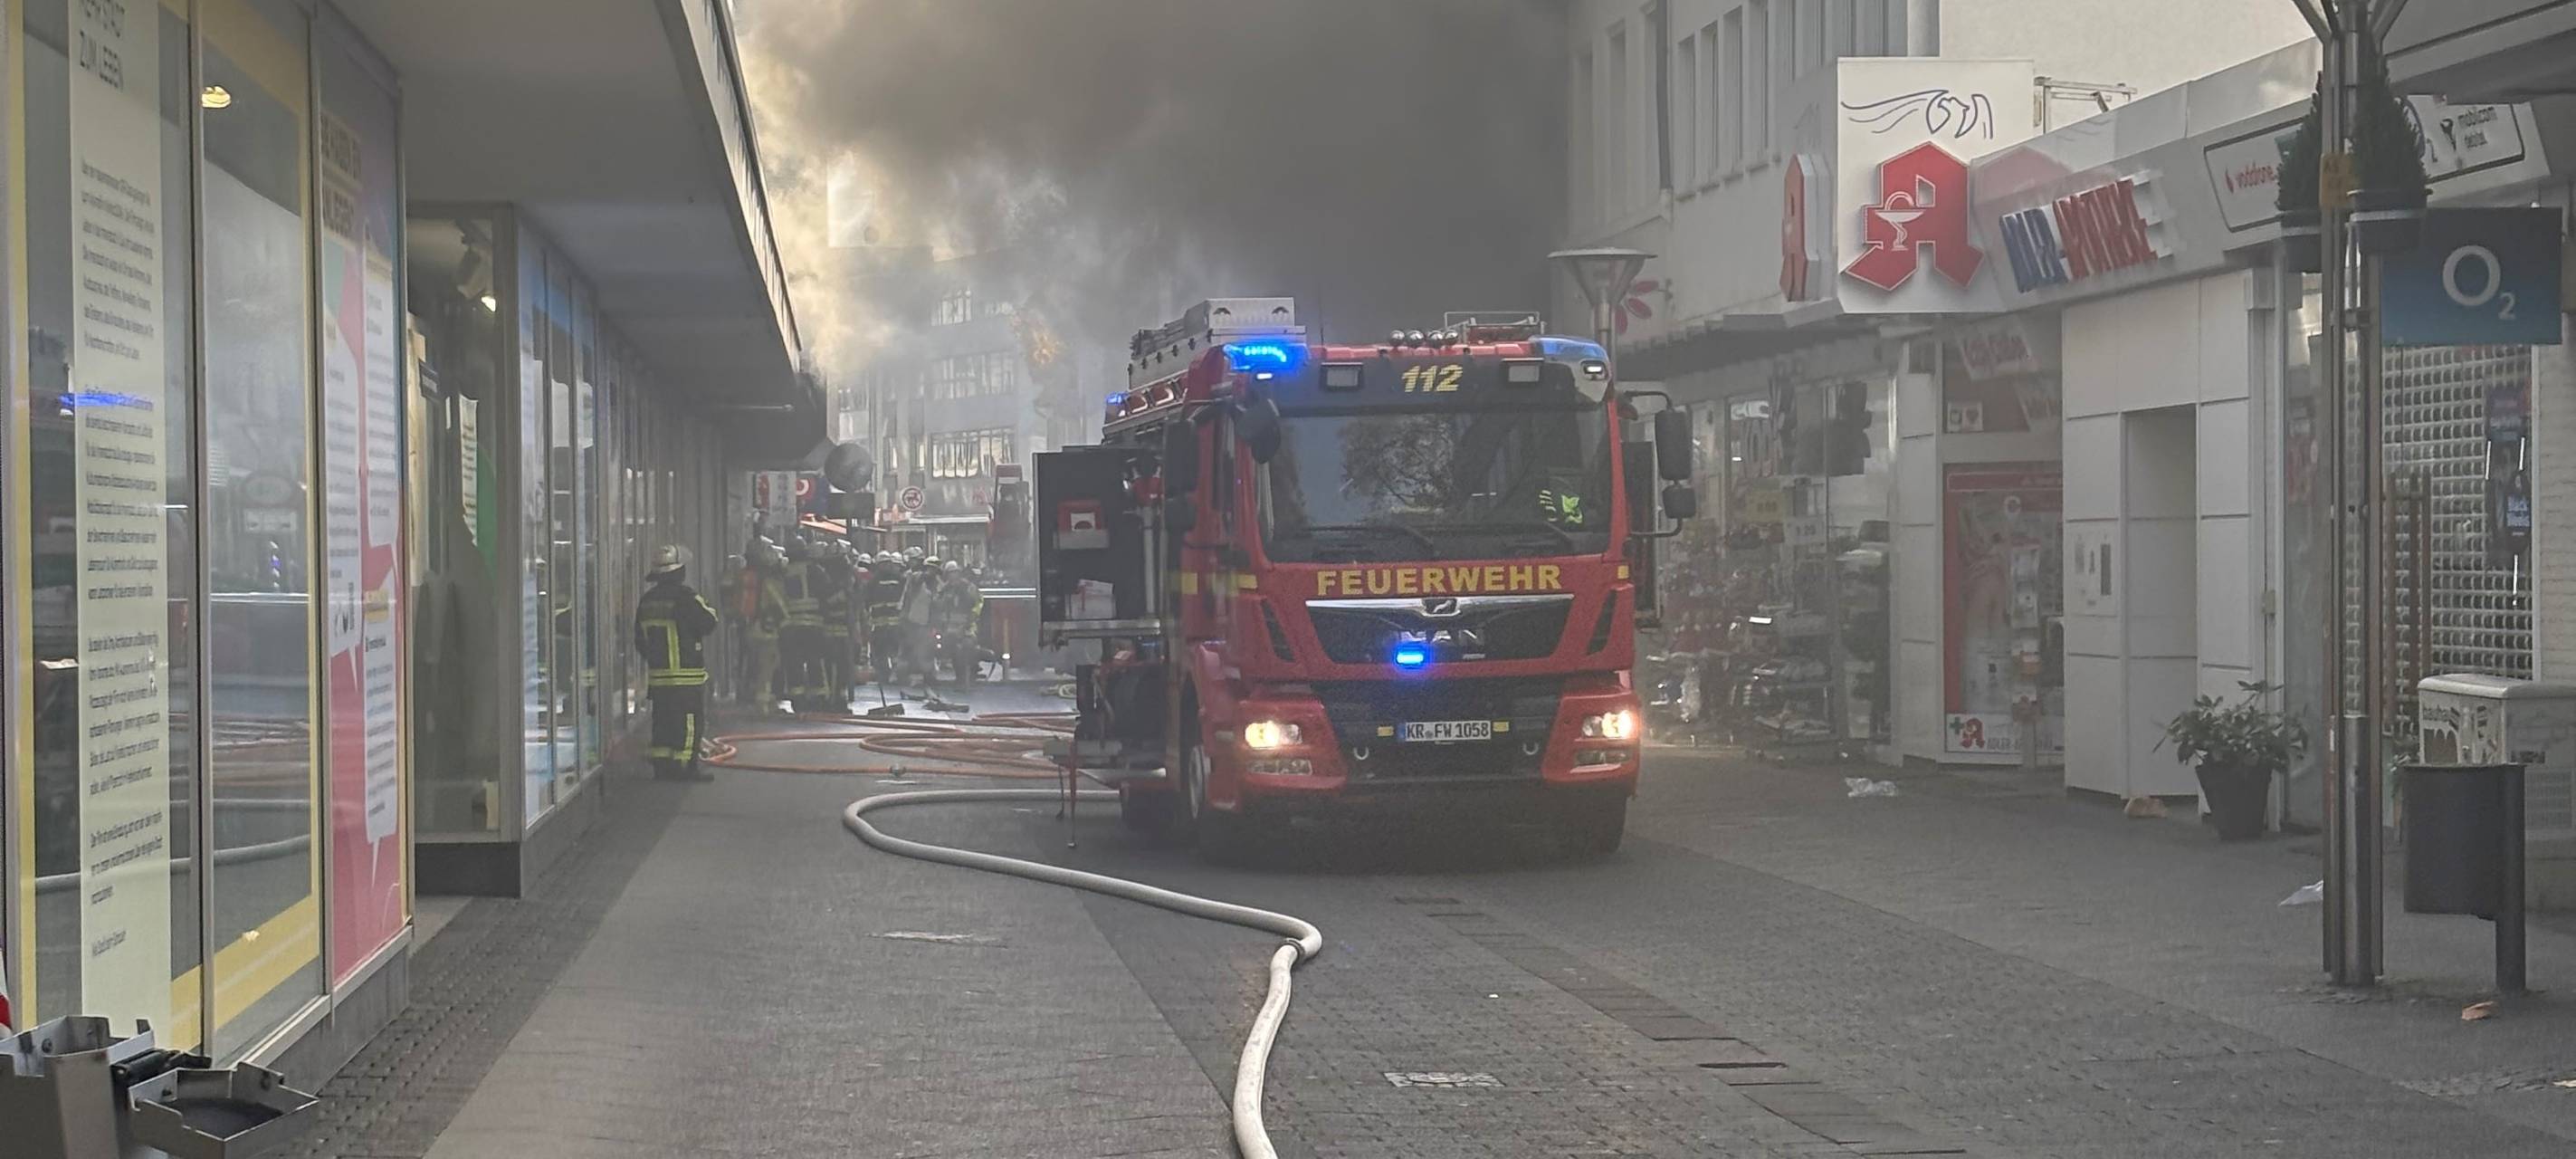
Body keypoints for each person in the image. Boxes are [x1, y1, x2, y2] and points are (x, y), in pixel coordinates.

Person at [634, 545, 719, 780]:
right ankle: (686, 767)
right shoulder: (686, 597)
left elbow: (638, 638)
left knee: (663, 720)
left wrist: (655, 659)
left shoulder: (647, 601)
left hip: (659, 675)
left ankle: (663, 766)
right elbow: (709, 622)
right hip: (686, 674)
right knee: (690, 720)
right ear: (678, 572)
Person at [778, 533, 825, 713]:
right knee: (815, 661)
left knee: (793, 663)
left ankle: (798, 700)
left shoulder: (783, 571)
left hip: (791, 626)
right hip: (814, 624)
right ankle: (818, 697)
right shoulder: (816, 570)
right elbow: (826, 593)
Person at [742, 537, 787, 714]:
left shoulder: (746, 576)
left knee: (755, 666)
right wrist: (787, 620)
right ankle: (763, 705)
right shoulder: (767, 580)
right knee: (767, 667)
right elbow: (778, 603)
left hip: (750, 627)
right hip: (766, 630)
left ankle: (762, 700)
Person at [937, 560, 985, 685]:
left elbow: (978, 603)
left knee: (968, 649)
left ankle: (972, 673)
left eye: (954, 573)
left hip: (967, 627)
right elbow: (939, 607)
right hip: (950, 629)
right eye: (949, 573)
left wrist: (971, 620)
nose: (952, 576)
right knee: (954, 654)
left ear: (959, 573)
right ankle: (960, 678)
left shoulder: (968, 587)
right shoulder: (944, 589)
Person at [899, 555, 943, 693]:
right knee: (910, 649)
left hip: (928, 623)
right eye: (930, 568)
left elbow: (939, 602)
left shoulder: (938, 584)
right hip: (913, 621)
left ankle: (929, 677)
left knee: (927, 651)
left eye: (935, 569)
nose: (932, 572)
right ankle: (906, 676)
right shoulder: (916, 578)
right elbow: (909, 593)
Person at [866, 551, 907, 685]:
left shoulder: (874, 580)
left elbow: (867, 600)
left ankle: (886, 676)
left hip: (881, 625)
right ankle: (895, 675)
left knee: (884, 652)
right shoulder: (899, 578)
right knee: (891, 652)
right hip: (891, 624)